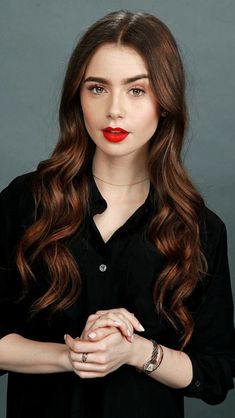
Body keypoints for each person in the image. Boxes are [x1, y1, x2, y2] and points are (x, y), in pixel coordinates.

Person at [0, 9, 234, 418]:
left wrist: (134, 351)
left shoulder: (201, 229)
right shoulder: (26, 200)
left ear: (166, 102)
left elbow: (215, 375)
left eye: (137, 90)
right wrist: (70, 356)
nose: (114, 110)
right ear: (78, 97)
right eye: (97, 88)